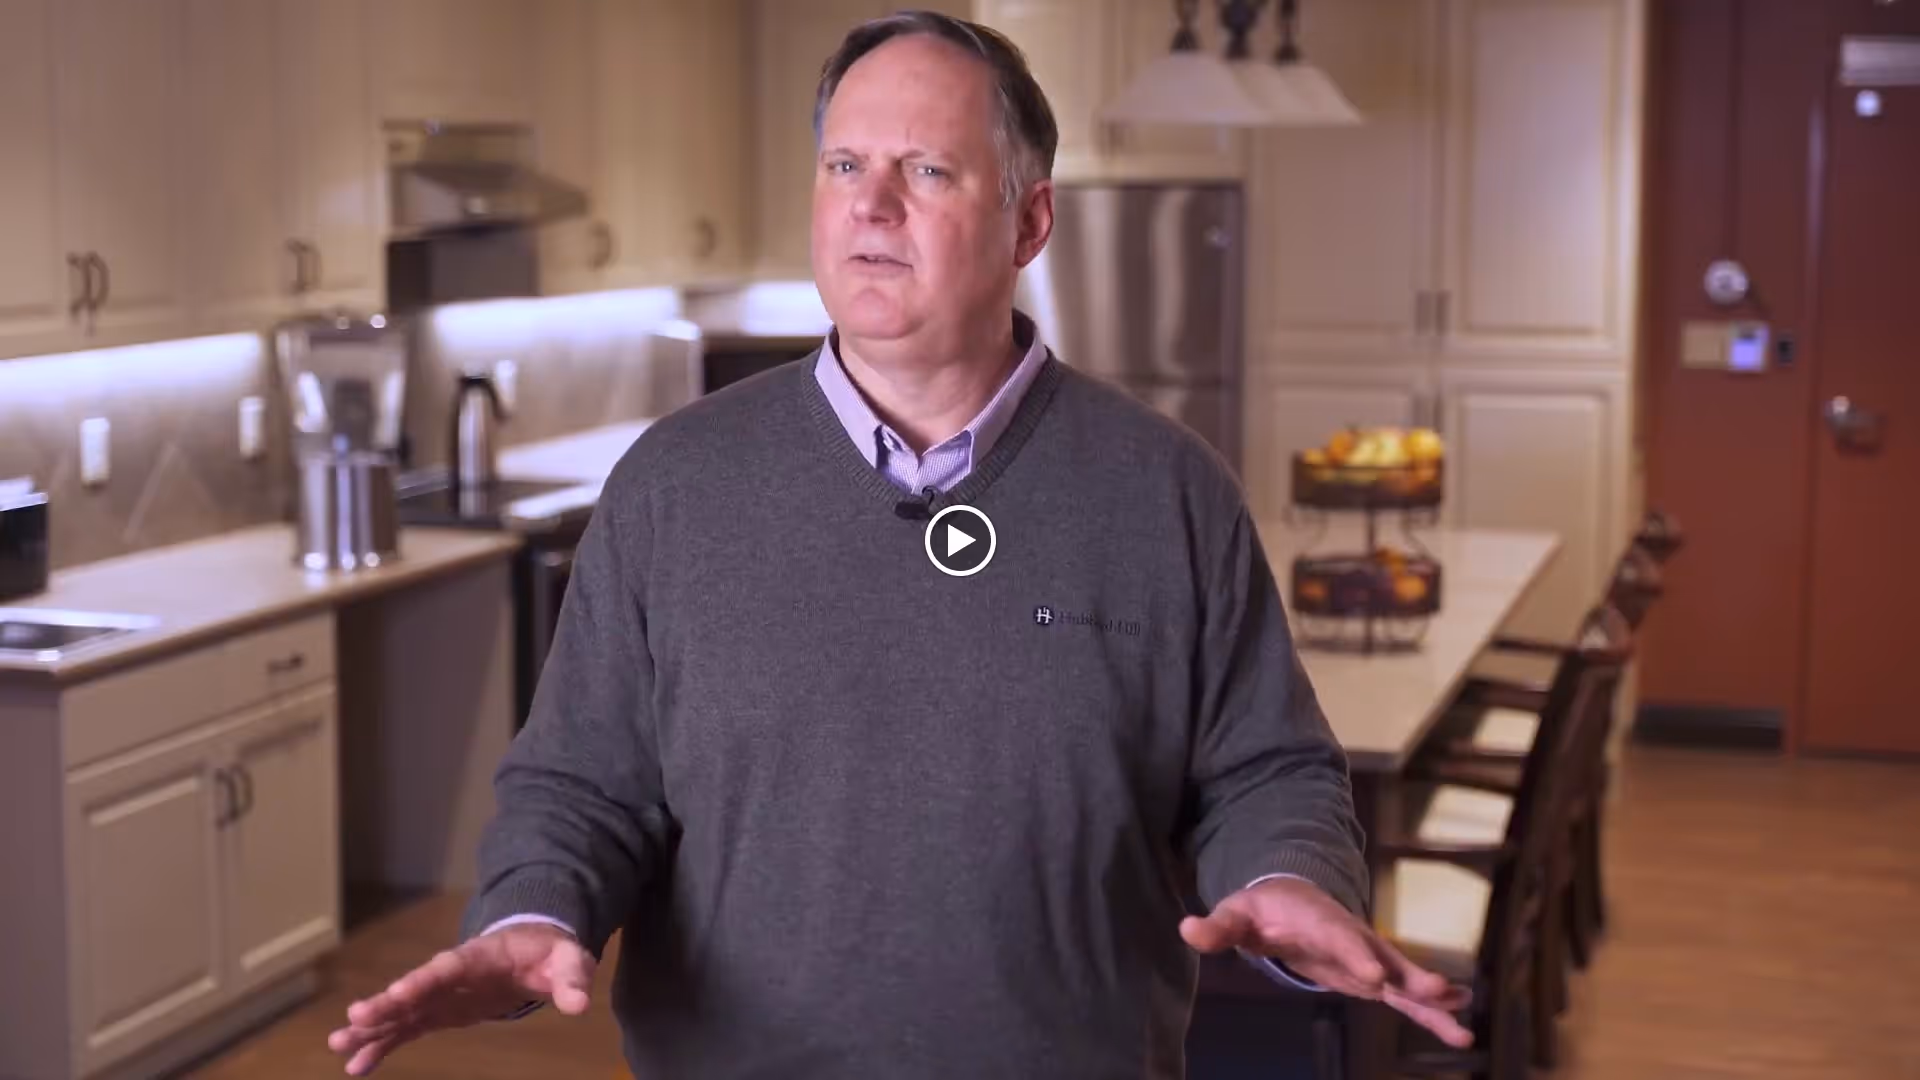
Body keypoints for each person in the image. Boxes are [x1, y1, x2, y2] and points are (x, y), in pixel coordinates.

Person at [327, 10, 1471, 1077]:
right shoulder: (675, 485)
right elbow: (583, 781)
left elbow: (1263, 768)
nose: (873, 205)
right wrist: (533, 910)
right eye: (845, 166)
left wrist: (1287, 878)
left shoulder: (1167, 492)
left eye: (926, 170)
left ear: (1029, 221)